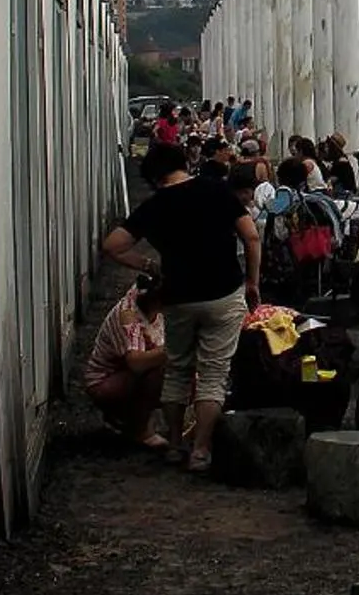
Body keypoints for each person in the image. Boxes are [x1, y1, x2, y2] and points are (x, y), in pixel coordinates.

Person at [100, 139, 261, 472]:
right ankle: (201, 450)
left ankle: (174, 444)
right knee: (213, 374)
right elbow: (251, 236)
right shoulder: (217, 190)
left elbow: (113, 245)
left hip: (179, 297)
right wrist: (252, 282)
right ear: (183, 163)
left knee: (177, 370)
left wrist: (148, 265)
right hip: (224, 292)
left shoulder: (156, 205)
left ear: (155, 176)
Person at [82, 277, 168, 446]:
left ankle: (126, 419)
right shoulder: (128, 313)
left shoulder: (151, 308)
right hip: (104, 380)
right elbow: (136, 363)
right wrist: (173, 351)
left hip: (123, 375)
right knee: (158, 373)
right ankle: (140, 429)